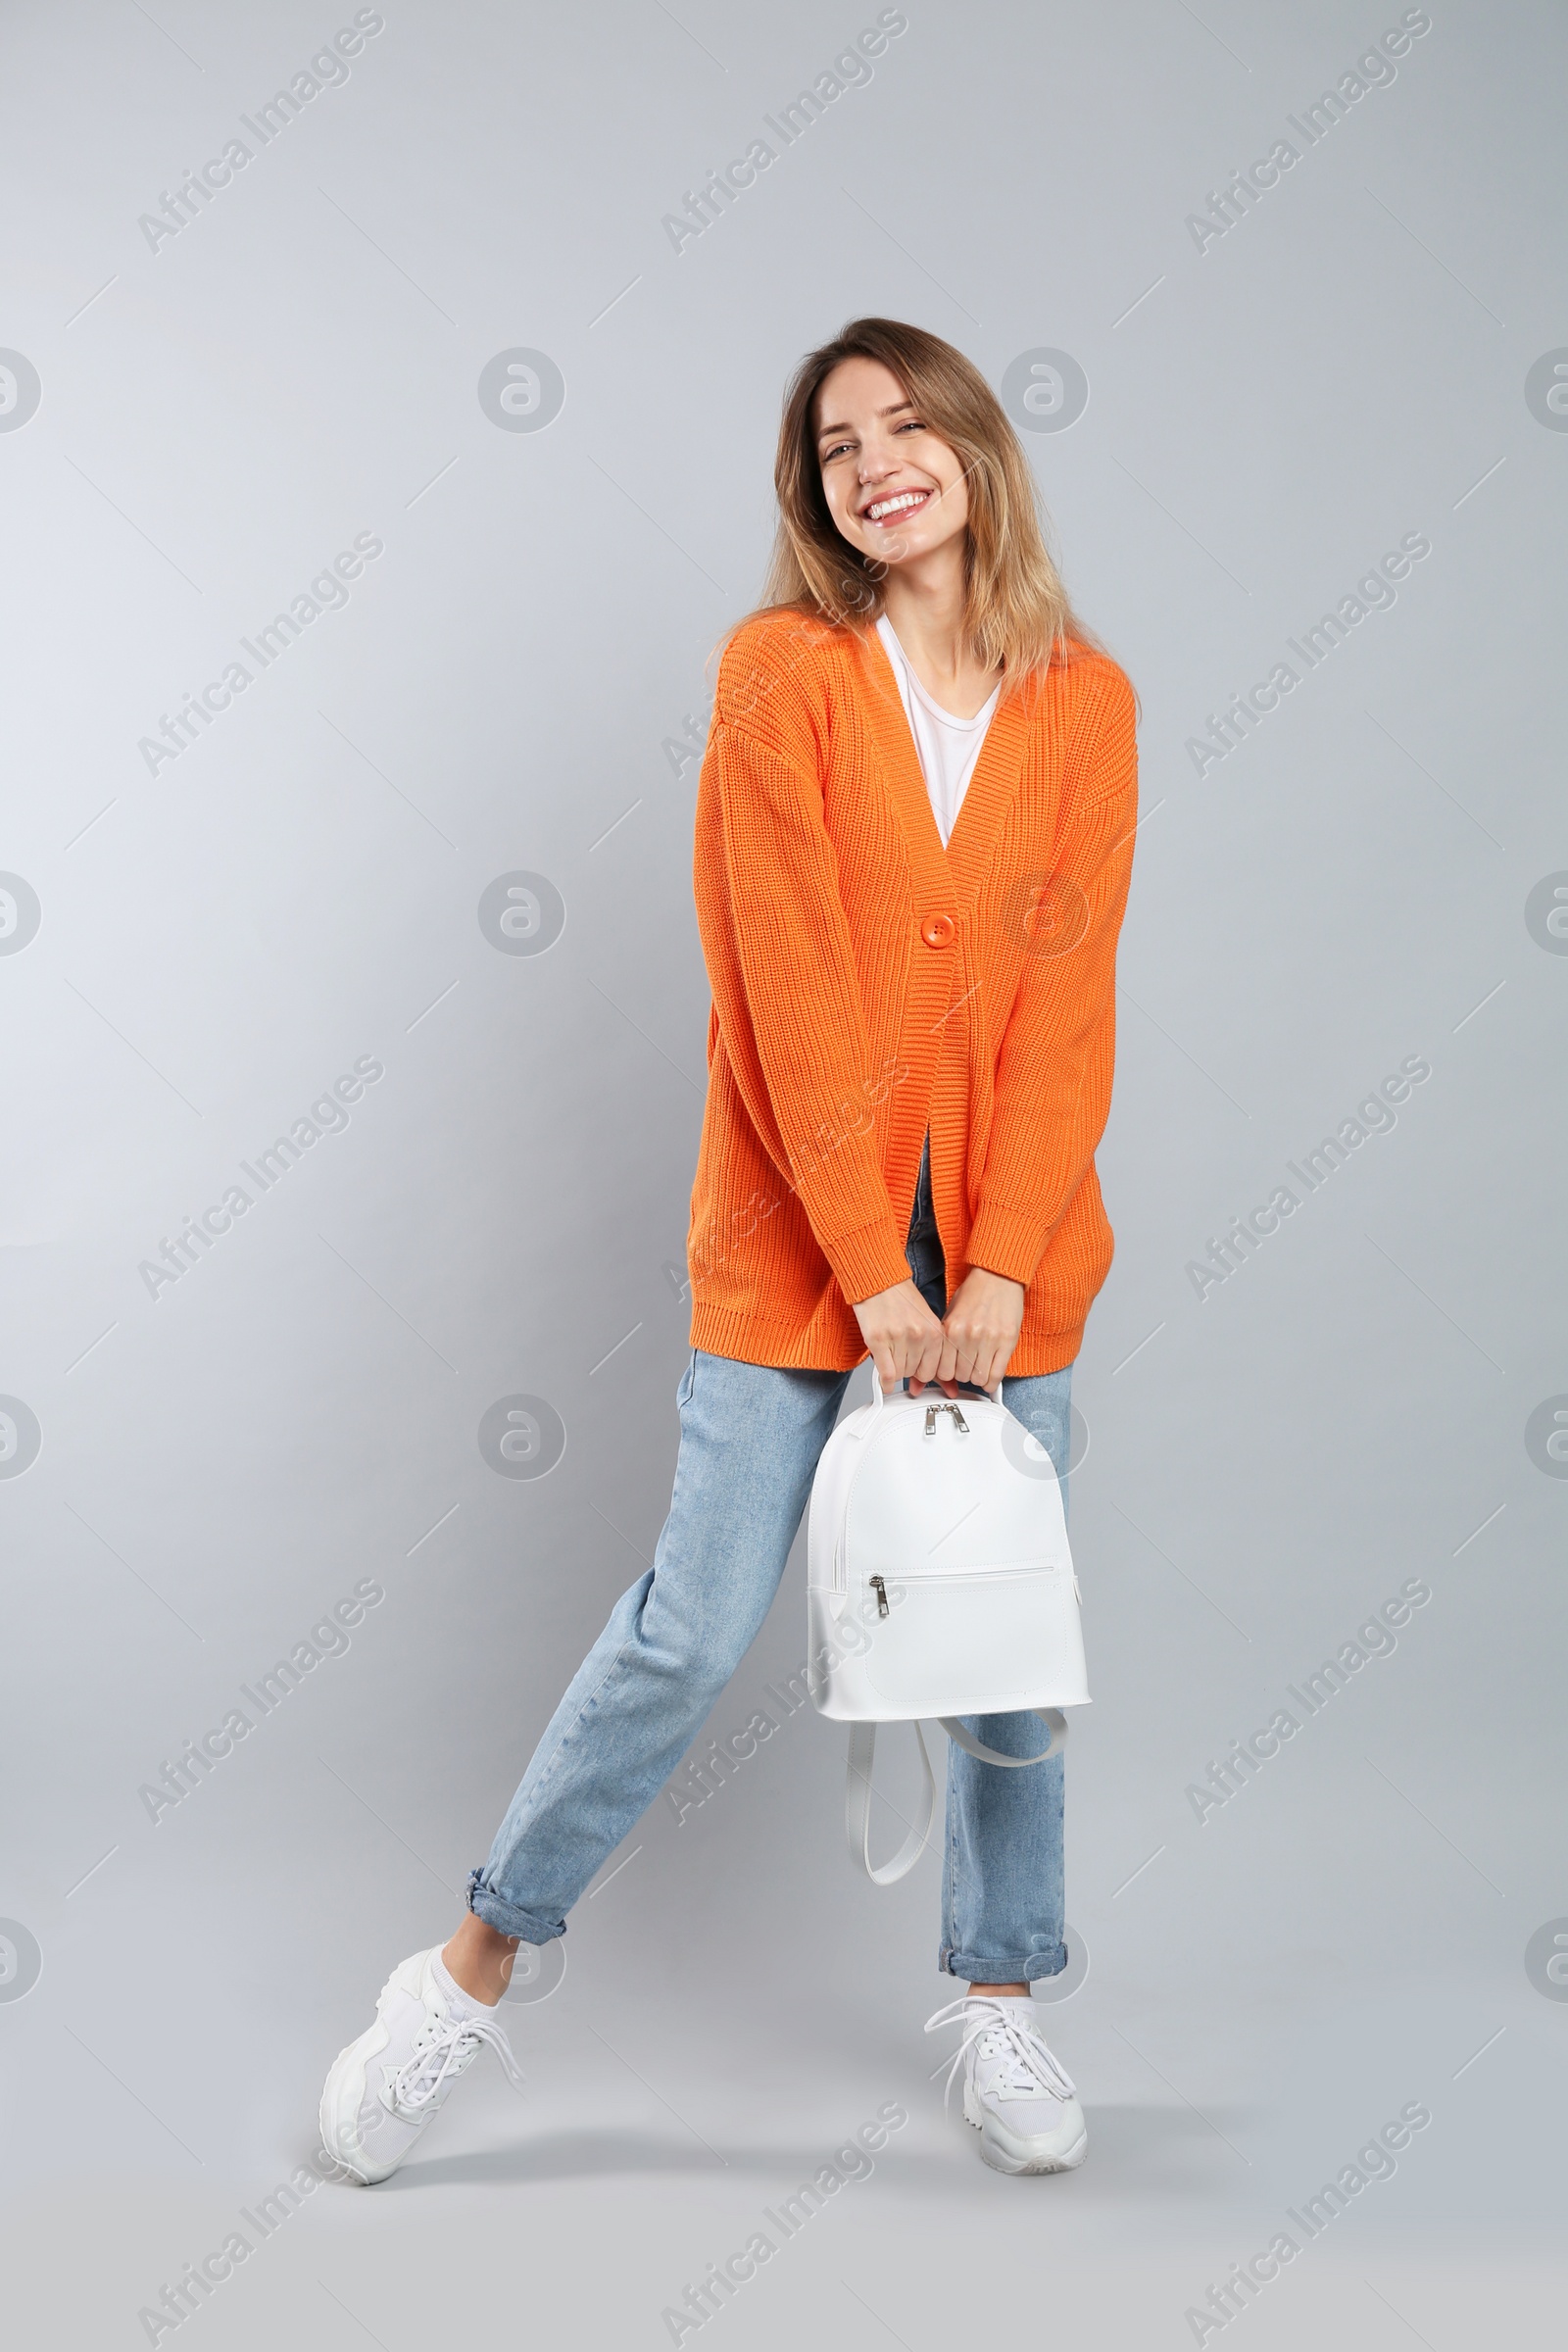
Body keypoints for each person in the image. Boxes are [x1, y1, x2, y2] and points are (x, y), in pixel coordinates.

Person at [318, 316, 1139, 2183]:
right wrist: (879, 1272)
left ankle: (1002, 2010)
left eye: (910, 424)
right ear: (819, 495)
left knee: (1006, 1640)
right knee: (686, 1637)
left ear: (979, 453)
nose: (877, 461)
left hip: (1013, 1255)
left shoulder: (1088, 708)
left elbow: (1068, 999)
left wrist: (1000, 1259)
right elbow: (785, 991)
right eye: (840, 444)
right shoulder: (780, 676)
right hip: (801, 1239)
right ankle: (463, 1975)